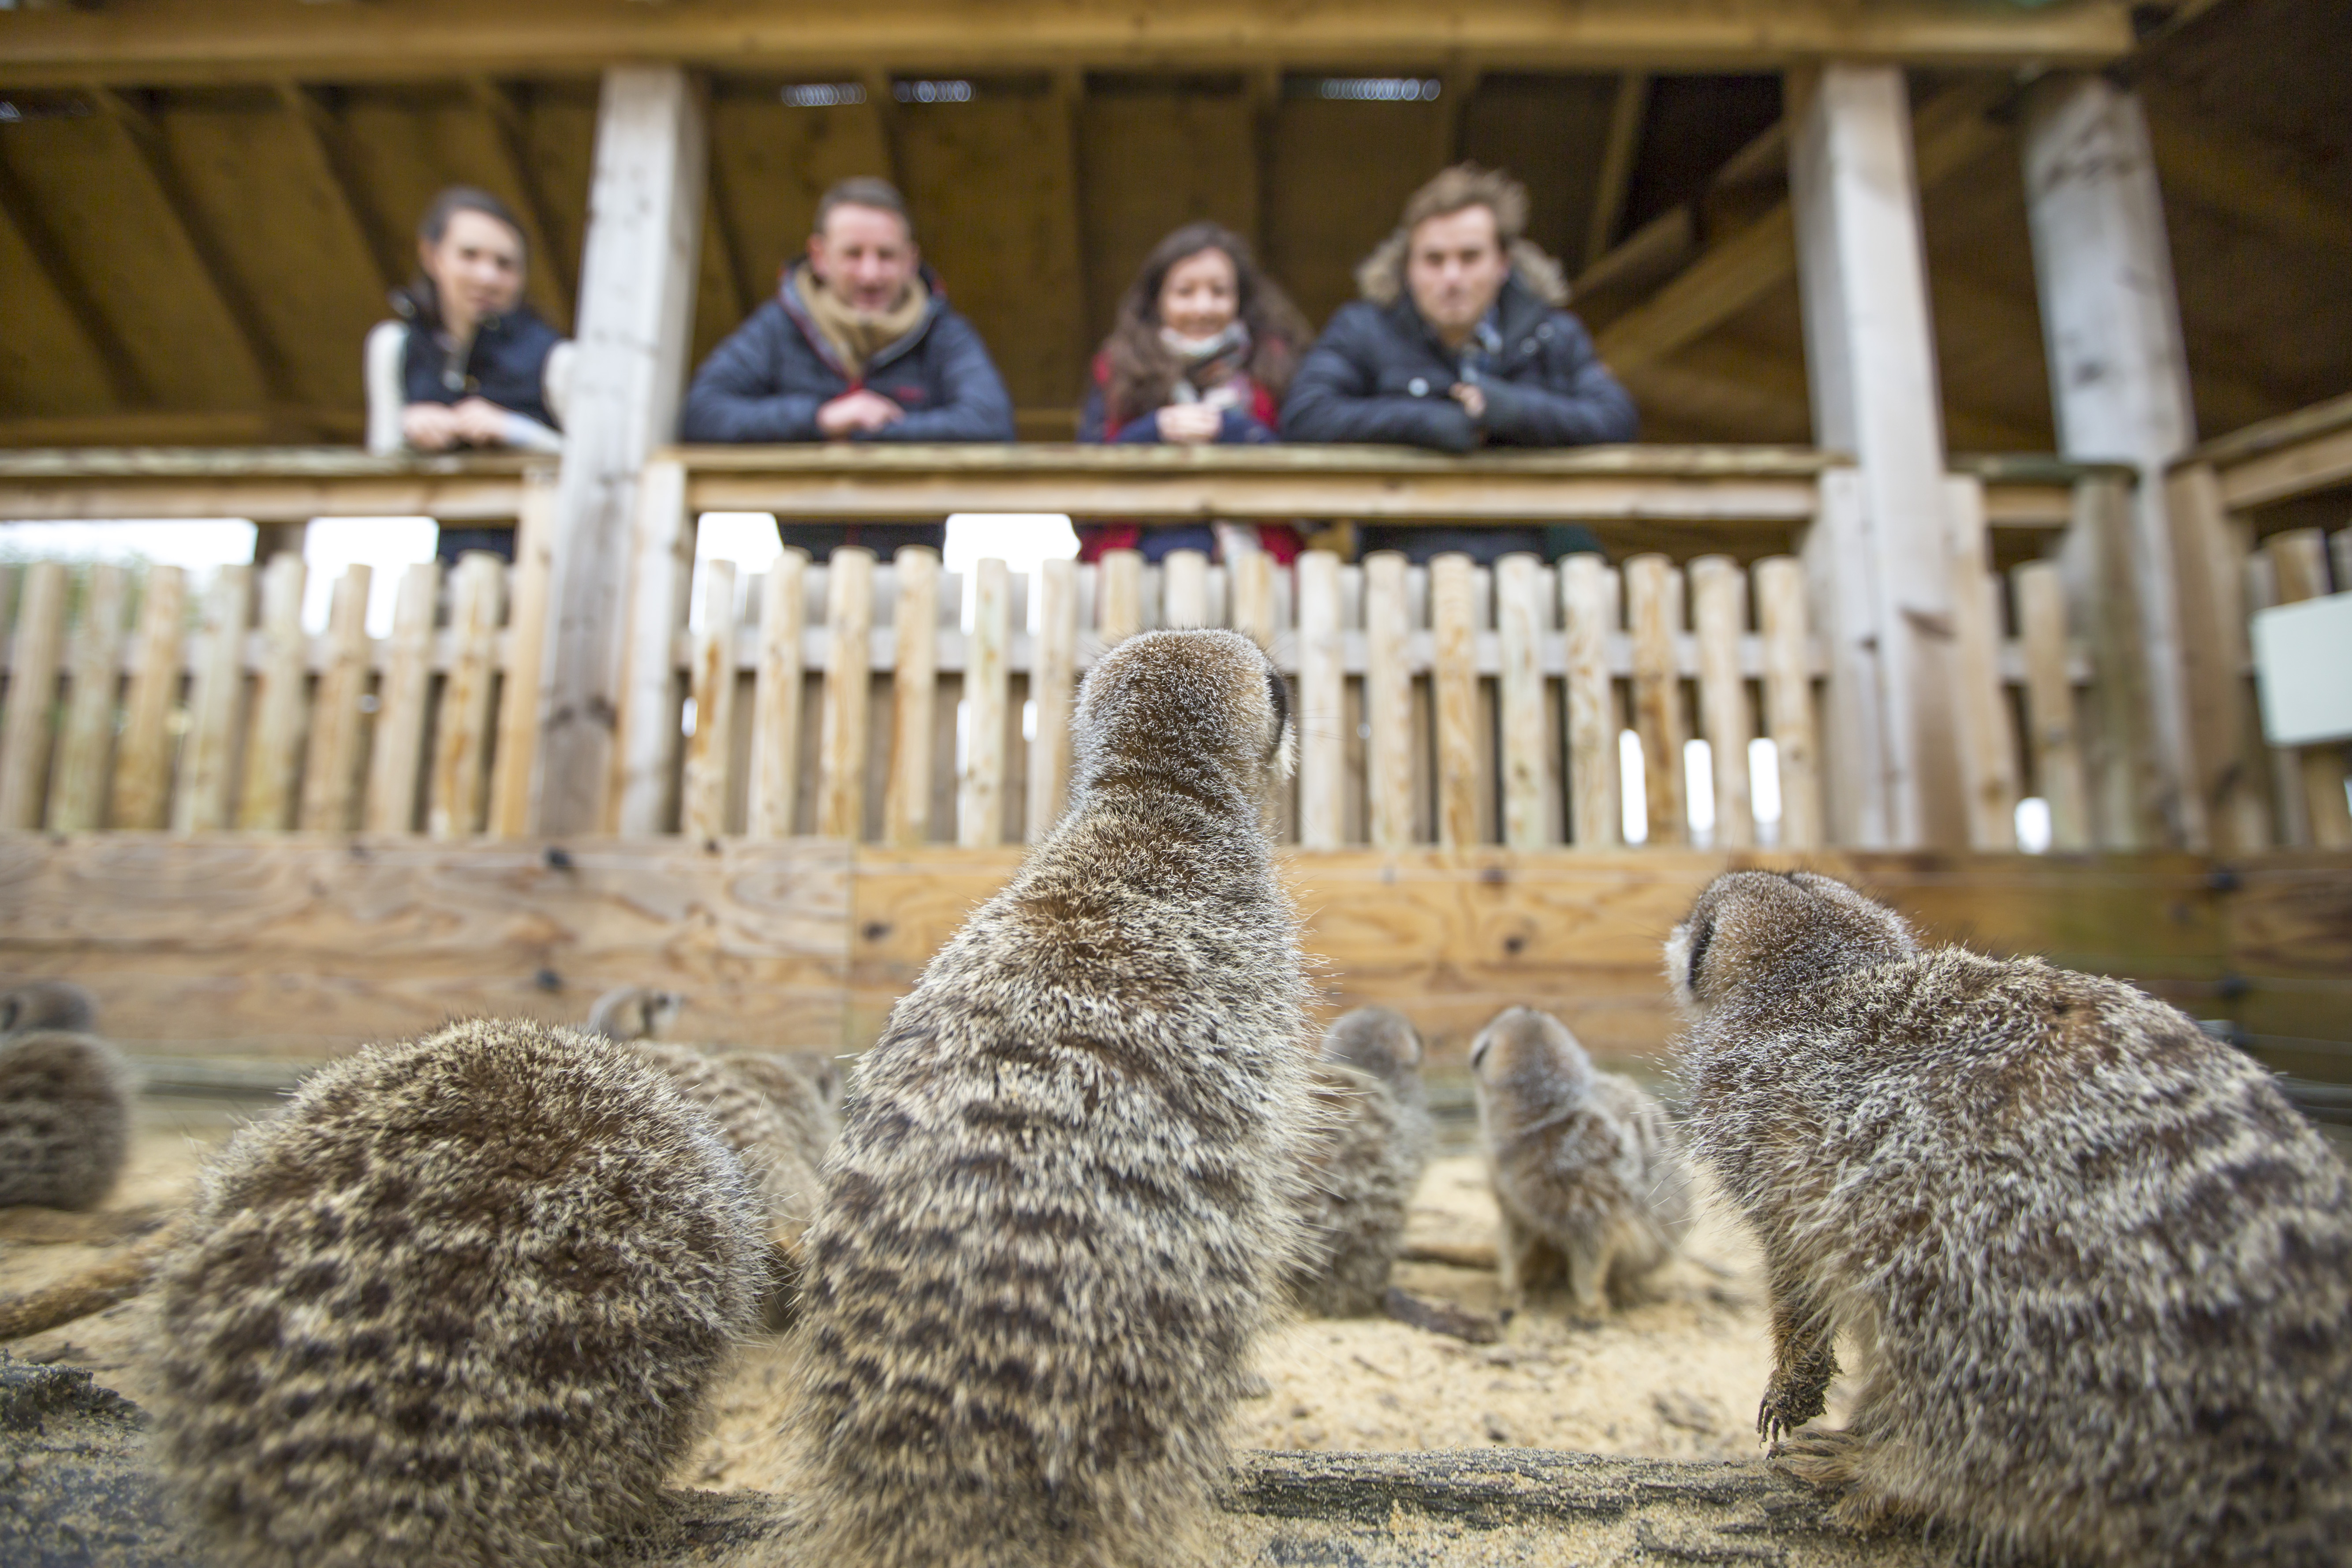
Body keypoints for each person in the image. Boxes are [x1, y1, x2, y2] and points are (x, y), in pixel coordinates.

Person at [1282, 164, 1638, 564]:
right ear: (1408, 268)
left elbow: (1615, 418)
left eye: (1470, 257)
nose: (1452, 277)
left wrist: (1508, 409)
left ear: (1503, 262)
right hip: (1398, 570)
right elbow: (1305, 415)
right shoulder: (1362, 329)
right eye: (1434, 260)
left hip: (1528, 571)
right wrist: (1428, 422)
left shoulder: (1553, 333)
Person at [679, 176, 1016, 556]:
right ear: (819, 256)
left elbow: (991, 423)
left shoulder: (945, 334)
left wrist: (872, 432)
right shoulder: (777, 328)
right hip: (802, 581)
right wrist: (820, 420)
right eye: (853, 254)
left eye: (886, 256)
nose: (870, 274)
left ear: (911, 261)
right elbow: (703, 414)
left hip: (914, 583)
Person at [1076, 223, 1313, 565]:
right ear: (1157, 300)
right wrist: (1155, 431)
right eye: (1185, 292)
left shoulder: (1277, 366)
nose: (1203, 308)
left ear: (1240, 300)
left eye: (1219, 292)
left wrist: (1229, 431)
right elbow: (1085, 483)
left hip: (1260, 571)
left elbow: (1306, 475)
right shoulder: (1116, 369)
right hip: (1135, 570)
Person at [365, 187, 574, 562]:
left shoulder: (557, 360)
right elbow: (380, 457)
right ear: (431, 256)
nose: (487, 276)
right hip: (434, 566)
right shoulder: (394, 346)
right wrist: (409, 429)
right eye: (470, 255)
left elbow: (599, 466)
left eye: (505, 264)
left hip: (540, 566)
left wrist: (514, 431)